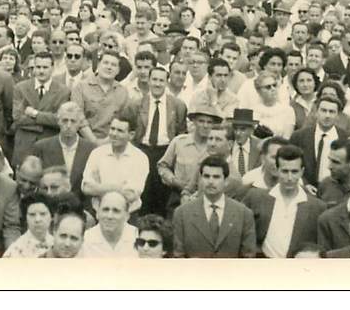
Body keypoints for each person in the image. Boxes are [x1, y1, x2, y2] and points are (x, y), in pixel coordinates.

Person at [242, 145, 327, 258]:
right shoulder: (256, 198)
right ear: (277, 170)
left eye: (294, 171)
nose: (290, 177)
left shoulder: (317, 207)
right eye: (285, 171)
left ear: (302, 172)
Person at [172, 155, 257, 258]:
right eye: (206, 176)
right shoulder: (182, 213)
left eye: (216, 177)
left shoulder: (244, 214)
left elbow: (248, 256)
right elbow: (178, 255)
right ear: (201, 179)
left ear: (226, 181)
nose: (210, 181)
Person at [134, 66, 187, 214]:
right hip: (143, 151)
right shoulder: (137, 104)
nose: (157, 84)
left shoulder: (178, 105)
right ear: (149, 81)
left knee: (163, 194)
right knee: (144, 192)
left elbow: (181, 132)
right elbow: (130, 127)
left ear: (167, 82)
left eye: (161, 80)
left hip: (165, 153)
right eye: (154, 80)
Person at [81, 115, 149, 215]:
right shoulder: (97, 153)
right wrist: (118, 188)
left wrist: (99, 188)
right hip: (99, 213)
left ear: (131, 135)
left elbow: (131, 195)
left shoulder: (140, 158)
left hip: (129, 215)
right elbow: (86, 187)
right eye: (112, 129)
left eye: (120, 131)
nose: (114, 134)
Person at [11, 51, 70, 167]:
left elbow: (60, 120)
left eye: (45, 67)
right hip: (24, 145)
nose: (41, 71)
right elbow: (18, 118)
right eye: (38, 67)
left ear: (52, 68)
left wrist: (34, 113)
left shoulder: (63, 91)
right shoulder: (20, 88)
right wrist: (47, 120)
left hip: (49, 144)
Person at [30, 102, 93, 206]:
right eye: (65, 121)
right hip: (49, 207)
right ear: (58, 121)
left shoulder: (90, 149)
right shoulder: (41, 147)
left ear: (80, 124)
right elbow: (35, 184)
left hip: (81, 208)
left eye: (73, 121)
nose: (68, 125)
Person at [289, 95, 349, 188]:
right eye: (323, 110)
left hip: (335, 189)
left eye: (332, 112)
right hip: (306, 190)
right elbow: (290, 163)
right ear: (316, 112)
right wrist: (304, 184)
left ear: (338, 116)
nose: (327, 115)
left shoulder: (346, 138)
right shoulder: (299, 136)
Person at [80, 190, 138, 257]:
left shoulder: (138, 238)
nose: (109, 216)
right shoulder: (84, 241)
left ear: (127, 216)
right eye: (105, 209)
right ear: (97, 213)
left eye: (116, 211)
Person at [2, 192, 56, 258]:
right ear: (26, 219)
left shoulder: (57, 243)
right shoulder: (15, 250)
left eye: (43, 214)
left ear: (51, 216)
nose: (37, 219)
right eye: (32, 214)